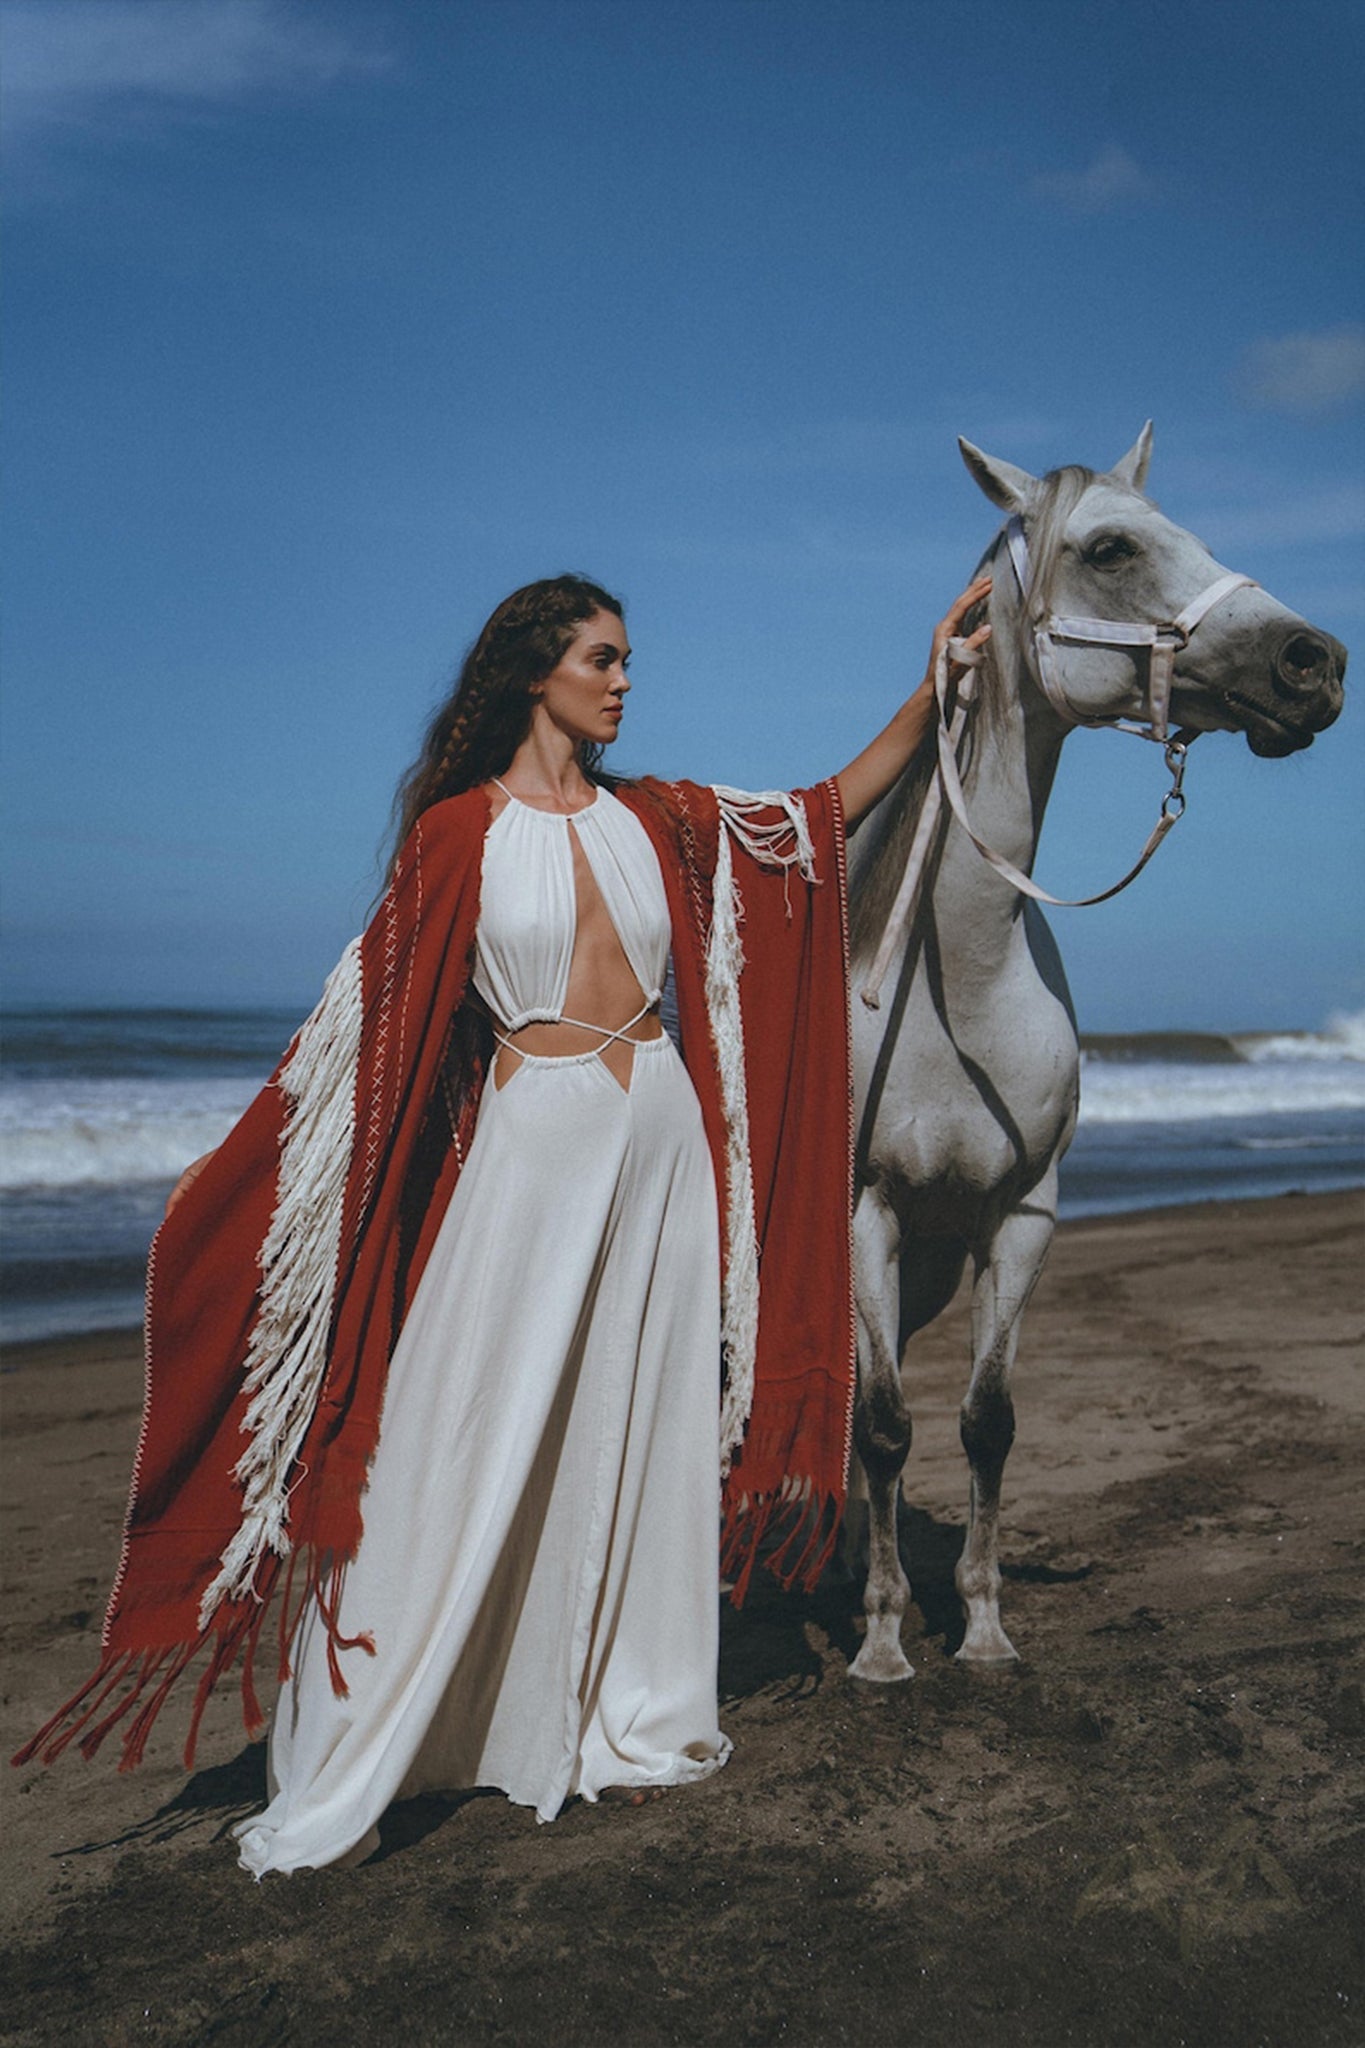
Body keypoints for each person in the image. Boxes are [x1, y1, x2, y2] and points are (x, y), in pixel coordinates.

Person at [15, 571, 990, 1874]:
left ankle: (631, 1718)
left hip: (659, 1145)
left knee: (641, 1438)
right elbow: (369, 1033)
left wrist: (935, 685)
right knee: (449, 1433)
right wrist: (241, 1172)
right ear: (536, 670)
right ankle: (374, 1749)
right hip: (530, 1157)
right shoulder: (455, 833)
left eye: (630, 659)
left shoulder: (663, 818)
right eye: (604, 657)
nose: (626, 679)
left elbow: (819, 818)